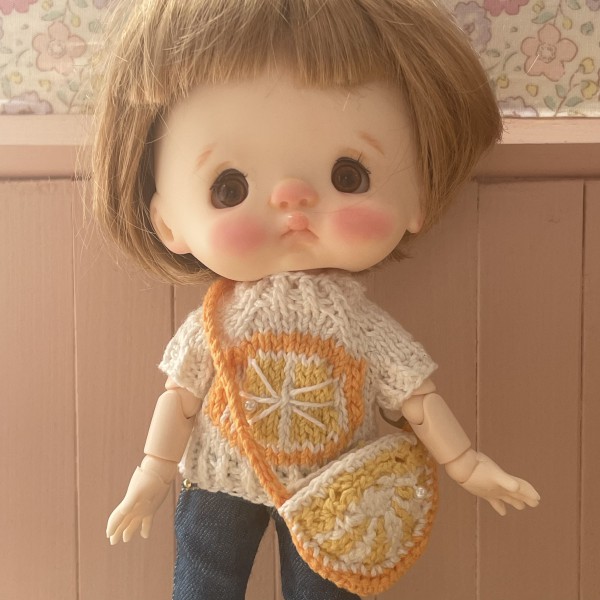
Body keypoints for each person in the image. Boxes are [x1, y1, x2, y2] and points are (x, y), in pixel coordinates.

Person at [92, 1, 540, 599]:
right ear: (168, 222)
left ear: (418, 197)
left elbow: (416, 397)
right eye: (230, 188)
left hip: (335, 487)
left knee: (323, 591)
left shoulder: (359, 325)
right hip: (222, 474)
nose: (292, 198)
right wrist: (153, 471)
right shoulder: (217, 322)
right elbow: (181, 396)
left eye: (348, 177)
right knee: (205, 581)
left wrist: (465, 463)